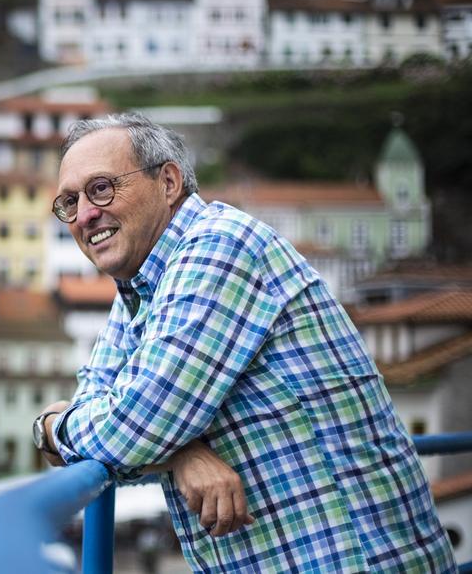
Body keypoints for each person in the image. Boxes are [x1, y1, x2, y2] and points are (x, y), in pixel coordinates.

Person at [32, 113, 455, 572]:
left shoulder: (218, 249)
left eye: (101, 189)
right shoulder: (141, 285)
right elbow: (112, 413)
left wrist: (53, 426)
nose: (86, 214)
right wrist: (179, 454)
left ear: (168, 182)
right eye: (69, 203)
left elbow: (128, 430)